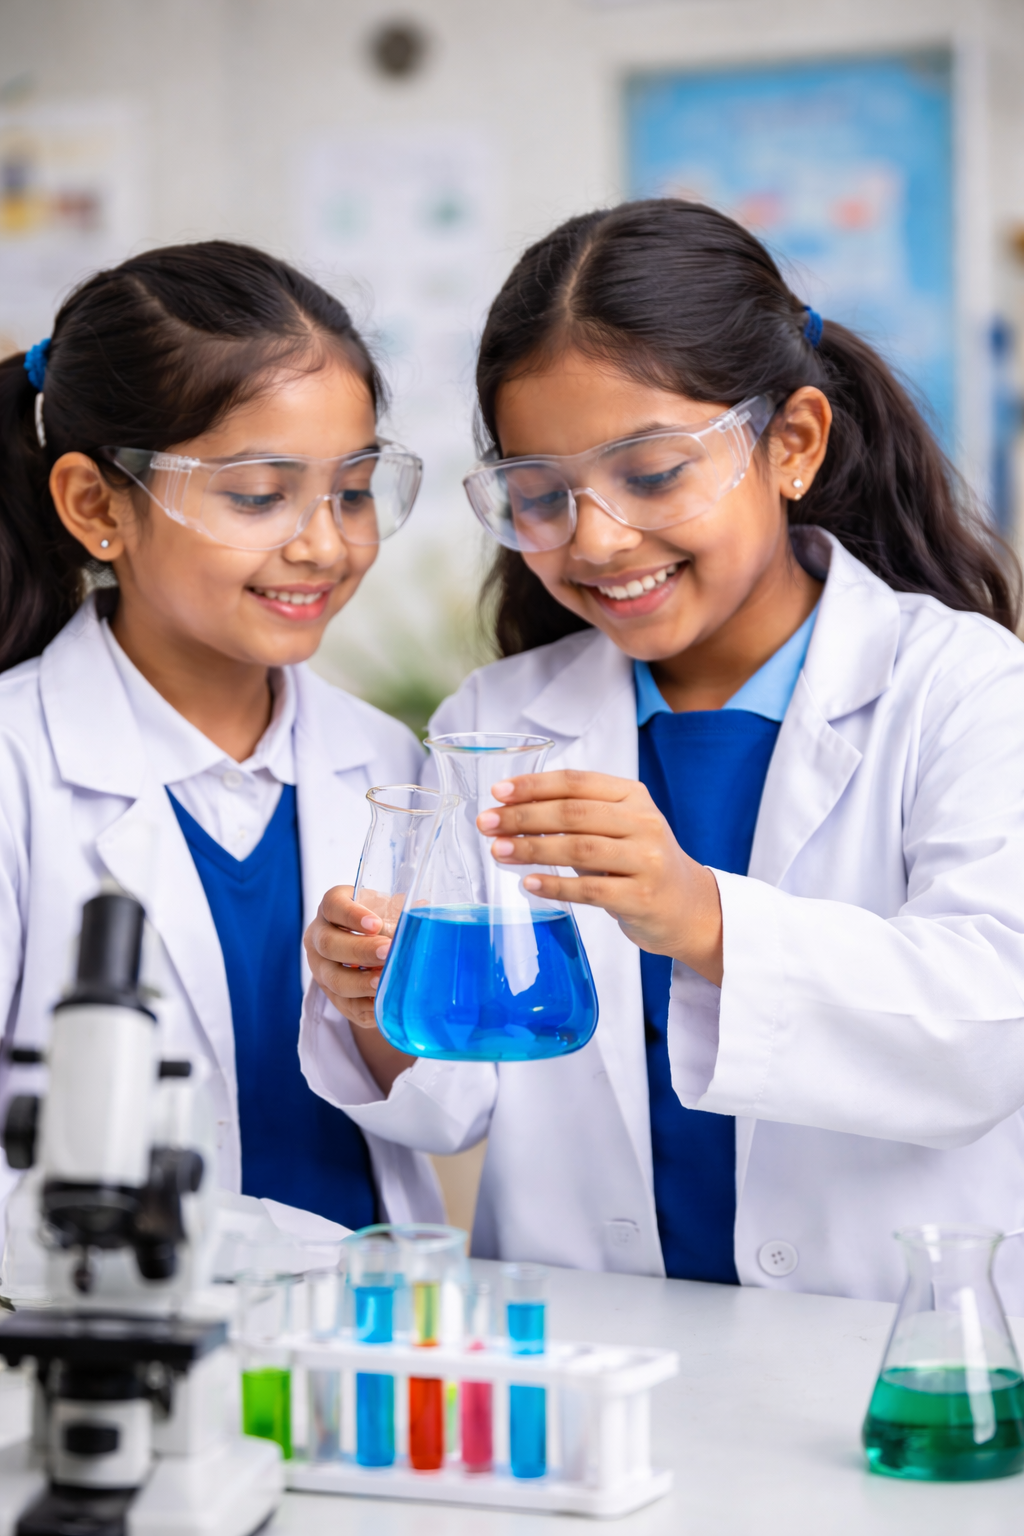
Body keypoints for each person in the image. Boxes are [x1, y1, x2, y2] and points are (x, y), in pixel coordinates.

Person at [300, 200, 1024, 1305]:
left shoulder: (962, 688)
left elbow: (986, 1036)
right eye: (541, 495)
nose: (596, 539)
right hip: (585, 1339)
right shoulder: (497, 720)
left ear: (792, 444)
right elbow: (459, 1097)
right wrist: (381, 1008)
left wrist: (701, 918)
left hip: (874, 1343)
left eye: (650, 475)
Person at [0, 241, 442, 1229]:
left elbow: (453, 1111)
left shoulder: (385, 762)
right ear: (95, 505)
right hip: (106, 1311)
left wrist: (382, 1016)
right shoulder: (15, 765)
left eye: (353, 491)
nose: (323, 544)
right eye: (258, 495)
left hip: (364, 1310)